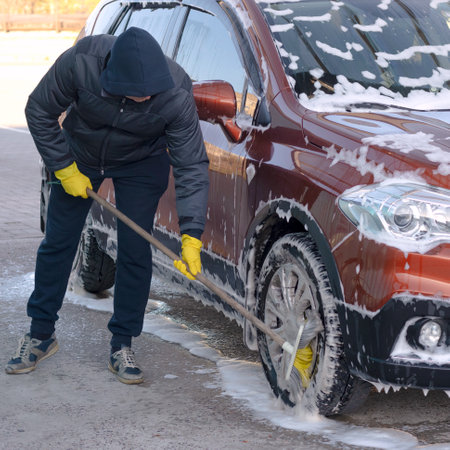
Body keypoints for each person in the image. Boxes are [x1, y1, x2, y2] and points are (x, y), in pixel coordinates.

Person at [5, 27, 209, 384]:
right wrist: (63, 167)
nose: (145, 98)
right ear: (112, 78)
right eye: (136, 93)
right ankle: (40, 334)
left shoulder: (175, 91)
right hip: (80, 154)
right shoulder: (81, 64)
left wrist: (192, 233)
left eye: (150, 93)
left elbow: (191, 163)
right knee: (59, 241)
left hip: (142, 162)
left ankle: (122, 343)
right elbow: (38, 110)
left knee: (134, 248)